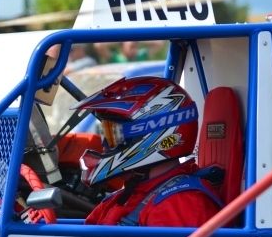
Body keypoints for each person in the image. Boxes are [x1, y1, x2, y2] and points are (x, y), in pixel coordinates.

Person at [76, 76, 222, 227]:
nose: (106, 145)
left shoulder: (179, 204)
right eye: (105, 133)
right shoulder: (125, 195)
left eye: (115, 134)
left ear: (152, 132)